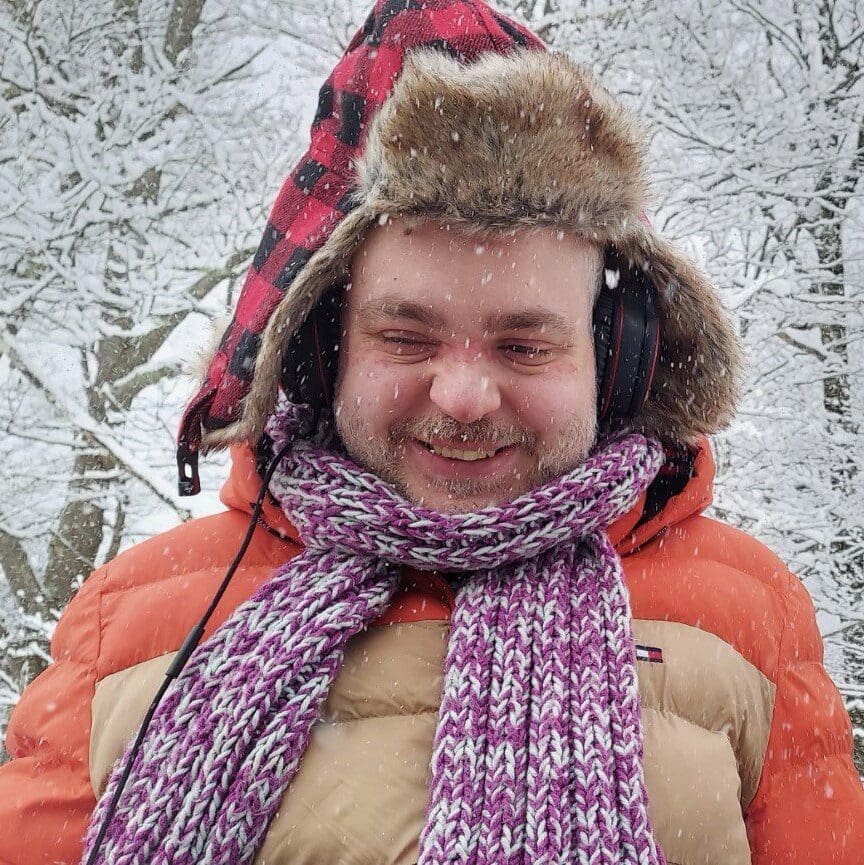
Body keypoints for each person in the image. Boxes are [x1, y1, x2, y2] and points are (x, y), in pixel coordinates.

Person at [2, 1, 862, 863]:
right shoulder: (130, 621)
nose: (461, 395)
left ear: (616, 359)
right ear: (318, 352)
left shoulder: (752, 613)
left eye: (524, 344)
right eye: (405, 336)